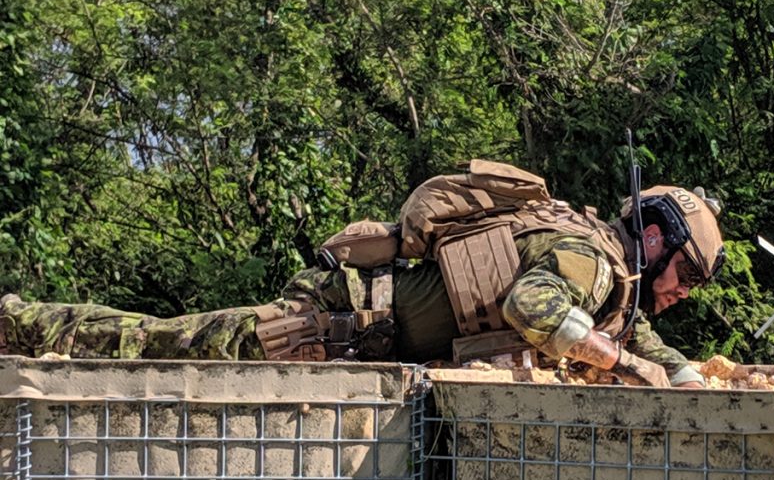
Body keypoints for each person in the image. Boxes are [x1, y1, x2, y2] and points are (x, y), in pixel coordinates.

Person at [0, 163, 725, 388]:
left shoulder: (603, 280)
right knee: (161, 344)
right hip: (328, 326)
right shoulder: (587, 259)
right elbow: (533, 307)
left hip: (354, 341)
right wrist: (623, 363)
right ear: (654, 238)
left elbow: (640, 341)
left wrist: (688, 378)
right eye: (685, 273)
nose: (680, 290)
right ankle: (19, 320)